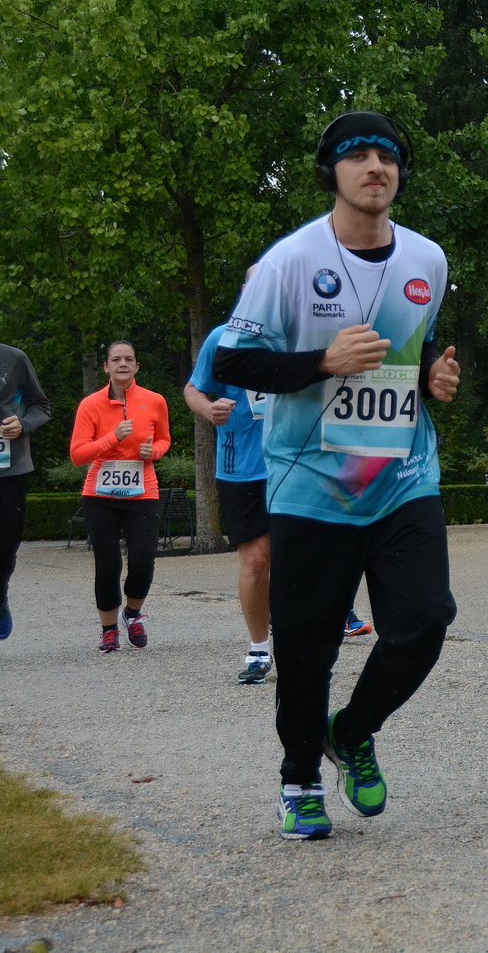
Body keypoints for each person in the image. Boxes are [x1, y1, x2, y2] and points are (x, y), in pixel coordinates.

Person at [214, 110, 461, 841]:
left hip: (402, 475)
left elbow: (407, 355)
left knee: (424, 620)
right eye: (357, 155)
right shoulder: (292, 260)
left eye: (387, 155)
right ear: (332, 171)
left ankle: (352, 730)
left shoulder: (427, 259)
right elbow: (233, 363)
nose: (374, 166)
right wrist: (322, 362)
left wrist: (432, 375)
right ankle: (297, 780)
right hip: (310, 483)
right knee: (306, 643)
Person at [187, 272, 276, 683]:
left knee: (295, 558)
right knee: (256, 560)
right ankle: (259, 649)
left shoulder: (298, 339)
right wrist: (208, 410)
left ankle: (297, 636)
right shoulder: (223, 338)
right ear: (244, 293)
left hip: (294, 465)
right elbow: (194, 389)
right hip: (240, 468)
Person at [70, 341, 172, 653]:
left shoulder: (154, 401)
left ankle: (133, 614)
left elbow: (165, 438)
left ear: (137, 366)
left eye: (129, 359)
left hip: (142, 491)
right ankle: (109, 628)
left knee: (142, 560)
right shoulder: (91, 405)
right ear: (106, 367)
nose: (123, 364)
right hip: (99, 494)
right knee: (107, 562)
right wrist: (112, 438)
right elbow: (77, 454)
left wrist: (152, 451)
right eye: (116, 359)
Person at [0, 343, 52, 640]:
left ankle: (1, 593)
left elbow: (41, 407)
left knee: (6, 547)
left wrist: (21, 425)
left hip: (11, 470)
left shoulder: (15, 359)